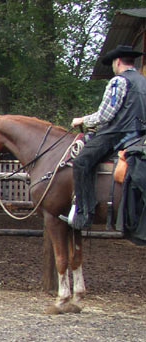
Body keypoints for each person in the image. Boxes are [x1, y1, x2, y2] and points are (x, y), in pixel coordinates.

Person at [69, 44, 146, 230]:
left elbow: (105, 116)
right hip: (140, 135)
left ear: (117, 61)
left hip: (119, 133)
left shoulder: (118, 81)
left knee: (81, 162)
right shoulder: (143, 81)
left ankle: (85, 213)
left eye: (113, 63)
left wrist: (82, 119)